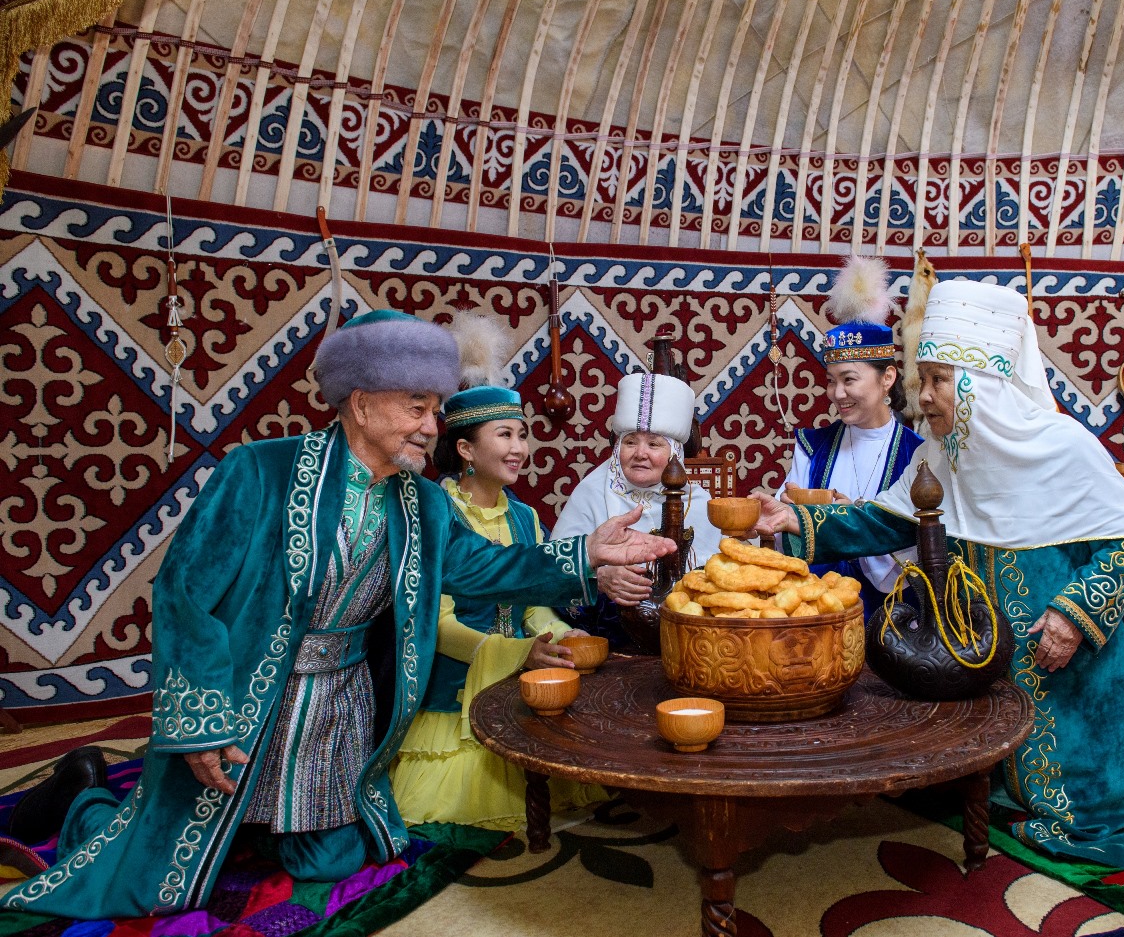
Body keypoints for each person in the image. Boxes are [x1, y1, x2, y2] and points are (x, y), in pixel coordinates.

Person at [4, 309, 675, 919]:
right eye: (418, 408)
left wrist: (584, 553)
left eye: (436, 410)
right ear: (360, 403)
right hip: (246, 701)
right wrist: (200, 720)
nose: (431, 427)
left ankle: (259, 818)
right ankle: (84, 797)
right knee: (158, 884)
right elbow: (185, 595)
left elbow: (486, 569)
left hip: (339, 706)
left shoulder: (424, 502)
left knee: (334, 860)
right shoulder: (257, 471)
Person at [752, 280, 1124, 869]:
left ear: (982, 384)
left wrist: (1074, 615)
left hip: (1074, 668)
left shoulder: (1065, 446)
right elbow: (887, 518)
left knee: (1088, 799)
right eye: (924, 380)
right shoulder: (944, 454)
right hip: (988, 658)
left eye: (938, 380)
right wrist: (796, 517)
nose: (925, 397)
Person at [391, 368, 605, 827]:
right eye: (505, 434)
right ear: (465, 449)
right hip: (455, 690)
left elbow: (533, 605)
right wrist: (518, 653)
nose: (519, 448)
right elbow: (438, 623)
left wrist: (567, 634)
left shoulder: (526, 516)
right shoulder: (434, 513)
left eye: (523, 435)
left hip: (523, 679)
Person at [780, 256, 923, 618]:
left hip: (892, 618)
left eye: (849, 379)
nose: (837, 393)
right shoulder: (812, 446)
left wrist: (851, 516)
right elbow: (787, 533)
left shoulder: (918, 454)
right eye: (831, 380)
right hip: (816, 613)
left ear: (887, 378)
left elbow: (921, 546)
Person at [552, 371, 722, 648]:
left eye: (654, 444)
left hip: (690, 645)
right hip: (609, 645)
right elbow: (554, 574)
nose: (640, 453)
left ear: (675, 454)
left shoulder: (699, 501)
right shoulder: (591, 491)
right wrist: (597, 578)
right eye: (630, 442)